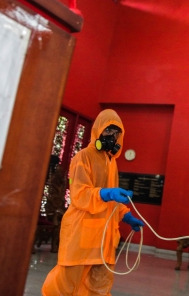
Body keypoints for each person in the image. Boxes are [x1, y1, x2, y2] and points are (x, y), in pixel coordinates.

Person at [42, 109, 144, 296]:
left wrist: (126, 215)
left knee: (99, 286)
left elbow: (112, 199)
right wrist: (106, 193)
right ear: (98, 131)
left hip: (104, 238)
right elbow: (79, 194)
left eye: (116, 133)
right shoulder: (83, 157)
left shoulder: (111, 161)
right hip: (81, 233)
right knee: (66, 283)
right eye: (108, 131)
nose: (111, 137)